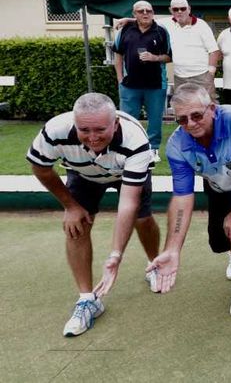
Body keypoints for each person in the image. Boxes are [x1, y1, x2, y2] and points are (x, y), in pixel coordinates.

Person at [27, 93, 160, 337]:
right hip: (82, 173)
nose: (92, 137)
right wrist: (70, 206)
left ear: (116, 123)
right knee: (76, 225)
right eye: (84, 129)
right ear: (74, 124)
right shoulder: (55, 130)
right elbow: (40, 167)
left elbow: (127, 204)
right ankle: (88, 300)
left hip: (126, 173)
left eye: (100, 129)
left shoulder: (135, 141)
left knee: (142, 218)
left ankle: (154, 265)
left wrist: (115, 254)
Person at [147, 84, 231, 317]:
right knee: (218, 242)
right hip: (219, 183)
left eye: (196, 115)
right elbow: (182, 198)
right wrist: (173, 249)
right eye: (182, 120)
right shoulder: (177, 145)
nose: (190, 123)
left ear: (212, 109)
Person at [113, 0, 172, 161]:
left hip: (155, 85)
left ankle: (153, 149)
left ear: (153, 13)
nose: (145, 13)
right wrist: (119, 79)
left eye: (149, 10)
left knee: (155, 119)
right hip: (129, 85)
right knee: (127, 119)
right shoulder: (124, 30)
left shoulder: (161, 31)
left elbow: (168, 57)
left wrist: (154, 57)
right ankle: (126, 147)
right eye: (141, 11)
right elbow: (117, 55)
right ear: (134, 14)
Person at [162, 0, 221, 101]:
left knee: (208, 107)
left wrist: (210, 74)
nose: (179, 11)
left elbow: (214, 51)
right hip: (179, 77)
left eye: (183, 8)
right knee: (183, 108)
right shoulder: (167, 23)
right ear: (171, 10)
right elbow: (147, 19)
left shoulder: (201, 25)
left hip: (202, 76)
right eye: (176, 9)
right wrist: (128, 20)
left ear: (189, 9)